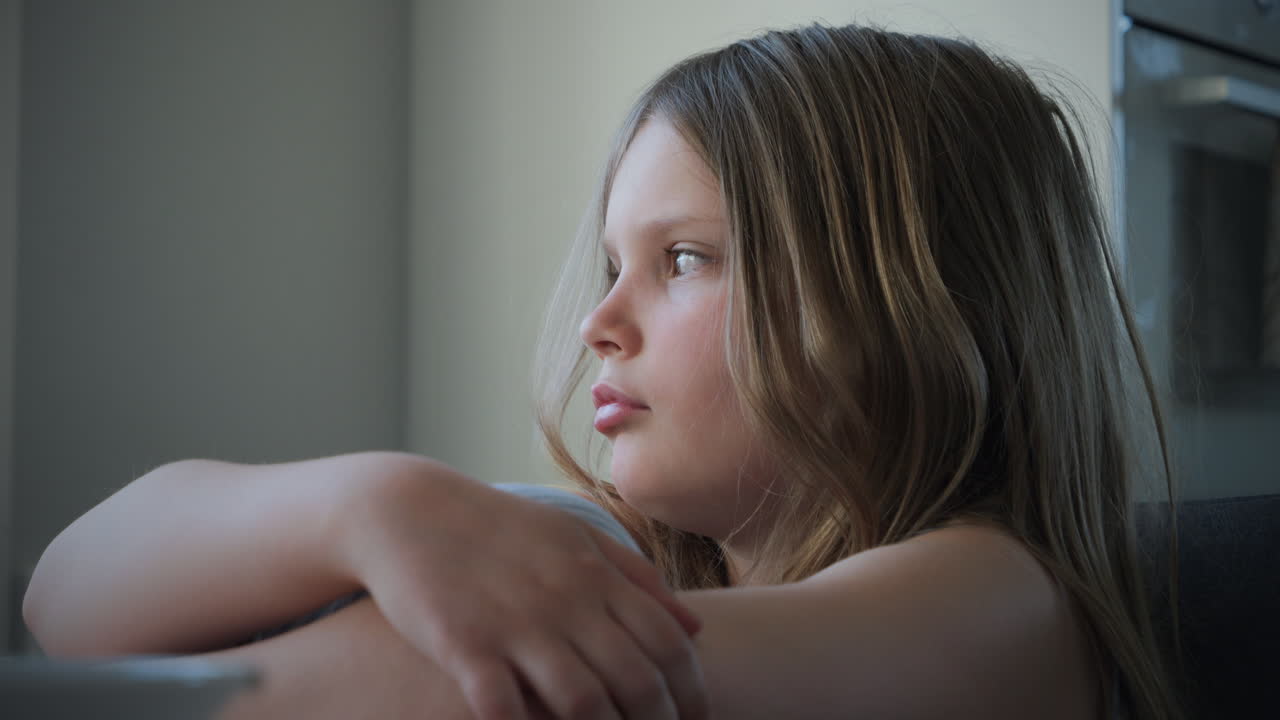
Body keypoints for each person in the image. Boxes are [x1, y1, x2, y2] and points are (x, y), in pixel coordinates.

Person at [22, 22, 1182, 720]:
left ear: (911, 295)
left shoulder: (994, 597)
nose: (597, 324)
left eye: (683, 259)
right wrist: (366, 503)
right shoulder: (649, 567)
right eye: (615, 264)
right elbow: (61, 603)